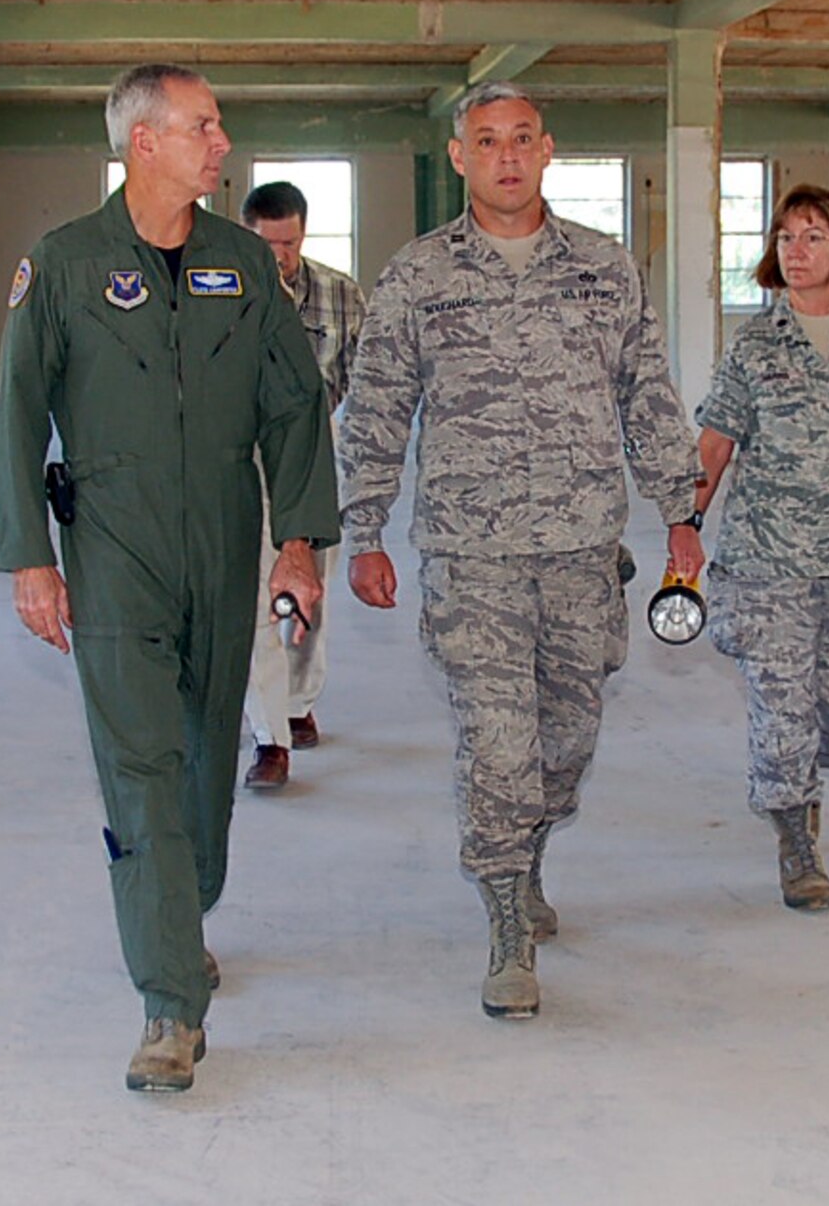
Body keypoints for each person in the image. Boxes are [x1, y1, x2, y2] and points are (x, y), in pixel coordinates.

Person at [0, 64, 339, 1094]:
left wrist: (299, 538)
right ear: (144, 142)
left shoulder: (241, 261)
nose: (220, 145)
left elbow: (293, 402)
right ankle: (169, 1004)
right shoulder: (62, 265)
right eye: (203, 126)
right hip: (111, 543)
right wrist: (28, 559)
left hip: (224, 539)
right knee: (140, 766)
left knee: (202, 761)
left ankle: (183, 911)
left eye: (219, 126)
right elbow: (15, 414)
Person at [338, 81, 704, 1021]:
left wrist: (680, 512)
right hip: (471, 552)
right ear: (459, 157)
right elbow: (377, 406)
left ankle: (530, 856)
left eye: (522, 139)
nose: (505, 155)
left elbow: (648, 393)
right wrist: (363, 528)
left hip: (585, 548)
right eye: (486, 141)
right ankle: (505, 916)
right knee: (497, 742)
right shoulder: (418, 276)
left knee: (566, 741)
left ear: (548, 151)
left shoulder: (604, 268)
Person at [692, 185, 829, 915]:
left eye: (813, 237)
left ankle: (808, 762)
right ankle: (797, 836)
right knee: (782, 708)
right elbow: (715, 442)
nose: (796, 251)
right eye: (785, 238)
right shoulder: (754, 344)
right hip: (767, 560)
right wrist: (685, 530)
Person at [237, 180, 368, 790]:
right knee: (255, 600)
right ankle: (270, 738)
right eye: (266, 245)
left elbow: (366, 390)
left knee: (308, 591)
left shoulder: (341, 296)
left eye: (289, 244)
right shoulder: (222, 294)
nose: (278, 257)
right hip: (240, 460)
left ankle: (297, 702)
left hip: (318, 455)